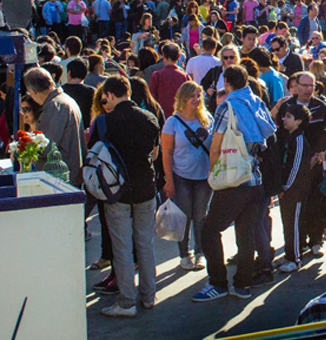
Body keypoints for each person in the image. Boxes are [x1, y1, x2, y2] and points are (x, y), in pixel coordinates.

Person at [193, 65, 277, 302]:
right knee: (246, 233)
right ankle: (242, 284)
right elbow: (267, 135)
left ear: (227, 83)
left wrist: (213, 174)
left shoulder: (227, 106)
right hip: (255, 179)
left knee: (209, 230)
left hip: (233, 178)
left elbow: (216, 146)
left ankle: (217, 283)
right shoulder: (256, 102)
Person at [95, 76, 161, 317]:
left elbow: (96, 157)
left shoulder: (104, 122)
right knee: (145, 243)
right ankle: (148, 295)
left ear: (110, 95)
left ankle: (126, 302)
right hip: (145, 187)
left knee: (121, 247)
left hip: (117, 191)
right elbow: (154, 154)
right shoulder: (149, 118)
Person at [161, 81, 213, 271]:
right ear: (182, 98)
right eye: (192, 96)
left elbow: (215, 146)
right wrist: (169, 180)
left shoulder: (207, 119)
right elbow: (166, 152)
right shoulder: (172, 122)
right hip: (181, 175)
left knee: (201, 216)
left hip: (204, 177)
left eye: (198, 96)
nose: (196, 100)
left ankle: (200, 252)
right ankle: (184, 253)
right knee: (184, 216)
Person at [24, 67, 84, 186]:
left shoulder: (55, 106)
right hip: (69, 176)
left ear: (34, 91)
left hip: (60, 180)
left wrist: (26, 147)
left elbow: (45, 146)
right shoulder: (65, 100)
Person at [276, 104, 317, 273]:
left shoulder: (299, 139)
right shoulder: (289, 137)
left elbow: (297, 167)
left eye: (289, 117)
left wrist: (286, 186)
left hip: (296, 190)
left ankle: (295, 259)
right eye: (284, 116)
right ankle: (289, 254)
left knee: (293, 223)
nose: (285, 120)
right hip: (288, 190)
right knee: (287, 222)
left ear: (299, 121)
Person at [149, 43, 189, 121]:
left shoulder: (157, 75)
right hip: (181, 118)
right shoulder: (185, 76)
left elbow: (152, 99)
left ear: (163, 56)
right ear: (178, 57)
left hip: (162, 118)